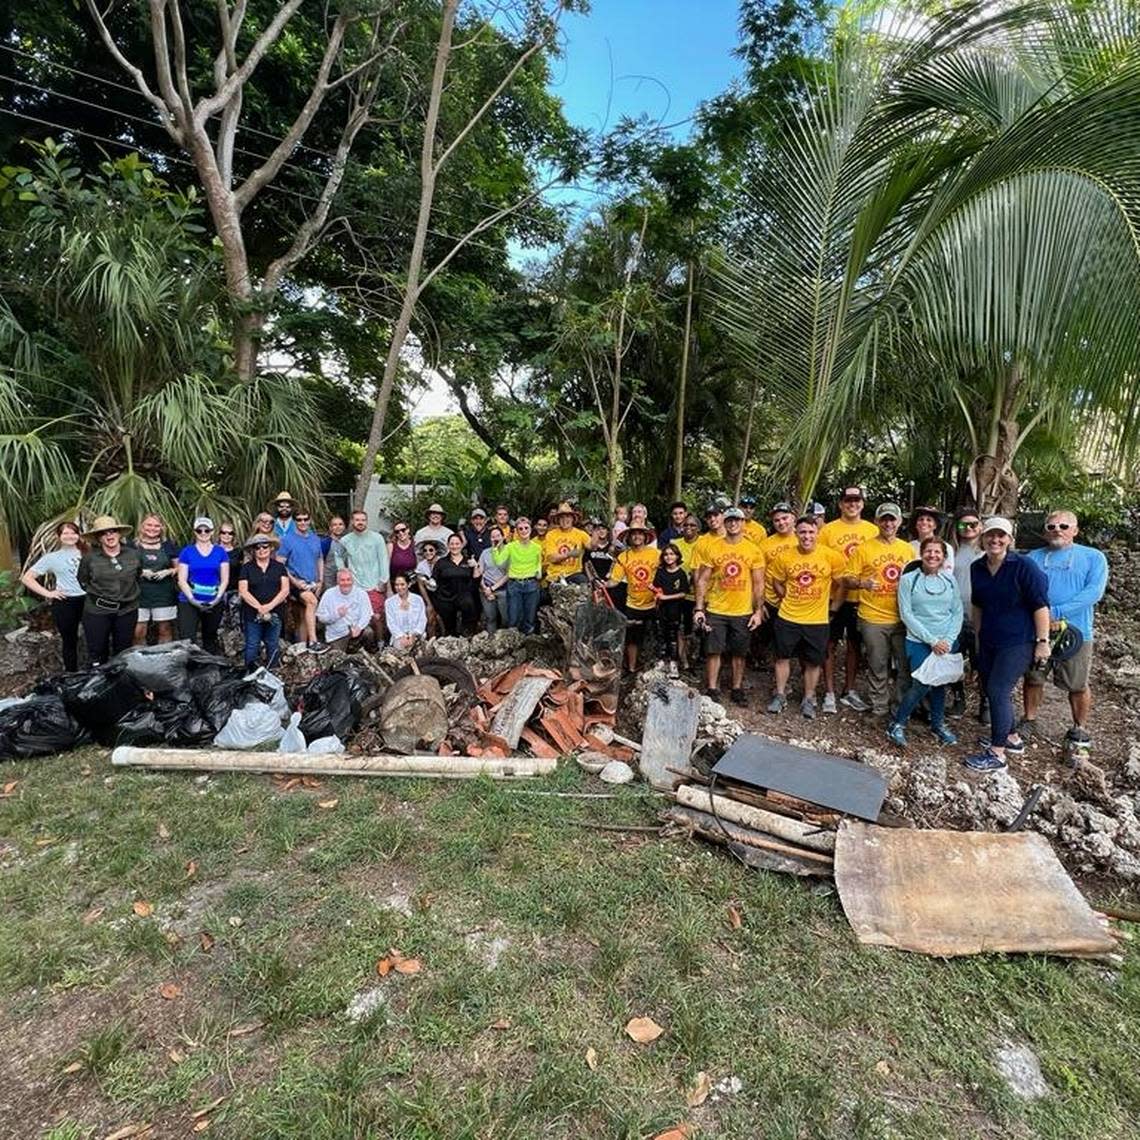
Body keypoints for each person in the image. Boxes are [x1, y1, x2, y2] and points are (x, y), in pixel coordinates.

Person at [967, 517, 1051, 771]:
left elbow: (1040, 605)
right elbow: (978, 605)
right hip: (990, 639)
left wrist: (1042, 642)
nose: (995, 540)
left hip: (1018, 641)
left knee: (998, 690)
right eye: (991, 535)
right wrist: (978, 638)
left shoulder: (1024, 566)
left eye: (1001, 536)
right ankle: (1011, 738)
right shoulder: (977, 567)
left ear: (1010, 540)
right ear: (983, 538)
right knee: (990, 687)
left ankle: (997, 754)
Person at [1022, 510, 1109, 749]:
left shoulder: (1093, 557)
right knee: (1033, 677)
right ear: (1044, 531)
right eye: (1051, 527)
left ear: (1075, 530)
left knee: (1078, 682)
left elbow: (1093, 592)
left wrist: (1056, 612)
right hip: (1037, 629)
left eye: (1063, 526)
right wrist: (1040, 615)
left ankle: (1079, 726)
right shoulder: (1033, 557)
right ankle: (1029, 719)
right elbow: (1023, 589)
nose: (1057, 530)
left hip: (1077, 631)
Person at [765, 516, 847, 718]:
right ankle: (780, 695)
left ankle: (808, 698)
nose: (807, 536)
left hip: (817, 620)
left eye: (811, 532)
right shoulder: (785, 556)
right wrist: (785, 596)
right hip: (788, 616)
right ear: (796, 533)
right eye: (802, 532)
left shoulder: (831, 556)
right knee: (782, 657)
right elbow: (776, 580)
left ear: (817, 533)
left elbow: (842, 584)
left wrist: (834, 608)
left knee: (813, 662)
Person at [887, 536, 964, 747]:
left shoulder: (950, 580)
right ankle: (897, 723)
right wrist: (932, 641)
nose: (932, 555)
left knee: (940, 684)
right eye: (928, 551)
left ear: (944, 556)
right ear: (921, 553)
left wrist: (948, 639)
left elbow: (957, 612)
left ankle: (938, 724)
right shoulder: (908, 580)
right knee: (922, 684)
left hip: (946, 642)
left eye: (937, 552)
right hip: (919, 641)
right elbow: (907, 614)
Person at [841, 503, 915, 718]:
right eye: (884, 519)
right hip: (872, 617)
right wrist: (863, 583)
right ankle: (880, 706)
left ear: (900, 522)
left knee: (904, 666)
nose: (888, 523)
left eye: (892, 519)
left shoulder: (907, 549)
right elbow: (847, 578)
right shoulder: (864, 549)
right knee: (877, 664)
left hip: (902, 617)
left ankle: (900, 707)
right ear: (876, 522)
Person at [692, 506, 765, 705]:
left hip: (742, 610)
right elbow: (702, 580)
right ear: (725, 522)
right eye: (730, 520)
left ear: (743, 523)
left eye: (737, 520)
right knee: (713, 650)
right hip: (716, 608)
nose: (733, 523)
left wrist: (758, 611)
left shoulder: (753, 550)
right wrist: (699, 608)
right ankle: (712, 688)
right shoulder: (713, 547)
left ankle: (737, 688)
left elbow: (759, 583)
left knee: (739, 653)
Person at [819, 486, 879, 714]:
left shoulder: (872, 530)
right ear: (841, 503)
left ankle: (849, 690)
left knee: (854, 646)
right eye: (848, 500)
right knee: (829, 644)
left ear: (862, 504)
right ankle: (829, 692)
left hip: (862, 598)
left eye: (857, 500)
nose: (852, 504)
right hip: (834, 597)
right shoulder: (828, 530)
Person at [22, 521, 86, 672]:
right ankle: (72, 674)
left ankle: (95, 671)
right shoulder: (52, 558)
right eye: (65, 533)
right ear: (59, 536)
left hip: (89, 600)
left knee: (95, 637)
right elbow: (27, 578)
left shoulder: (88, 552)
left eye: (73, 532)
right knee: (69, 640)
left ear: (79, 535)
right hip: (65, 601)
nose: (70, 536)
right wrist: (49, 593)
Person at [77, 515, 142, 664]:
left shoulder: (133, 555)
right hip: (97, 612)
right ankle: (99, 684)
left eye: (112, 531)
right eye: (103, 533)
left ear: (119, 534)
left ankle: (120, 684)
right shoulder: (90, 558)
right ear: (98, 538)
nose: (109, 536)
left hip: (127, 611)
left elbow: (137, 577)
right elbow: (83, 580)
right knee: (97, 653)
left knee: (124, 651)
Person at [603, 522, 659, 672]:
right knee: (632, 638)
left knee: (658, 634)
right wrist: (603, 585)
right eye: (634, 533)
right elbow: (615, 580)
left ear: (645, 536)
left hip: (654, 602)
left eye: (640, 533)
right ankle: (632, 668)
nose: (637, 536)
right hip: (633, 602)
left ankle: (656, 667)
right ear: (629, 537)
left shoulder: (656, 554)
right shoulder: (623, 556)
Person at [176, 516, 230, 655]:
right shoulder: (187, 552)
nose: (203, 533)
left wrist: (217, 599)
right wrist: (192, 599)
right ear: (195, 532)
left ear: (212, 532)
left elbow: (224, 579)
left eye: (207, 530)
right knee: (187, 639)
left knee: (210, 637)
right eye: (200, 530)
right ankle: (189, 670)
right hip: (189, 600)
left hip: (214, 599)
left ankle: (209, 668)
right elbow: (182, 579)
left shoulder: (220, 552)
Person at [949, 508, 984, 718]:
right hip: (955, 614)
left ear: (980, 526)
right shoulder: (951, 551)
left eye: (973, 524)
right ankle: (958, 699)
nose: (969, 528)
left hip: (982, 614)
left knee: (982, 659)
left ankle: (985, 702)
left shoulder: (988, 550)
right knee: (955, 658)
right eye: (963, 524)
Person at [237, 533, 289, 668]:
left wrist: (270, 606)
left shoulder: (279, 567)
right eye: (257, 547)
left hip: (276, 611)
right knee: (252, 644)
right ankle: (250, 673)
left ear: (271, 548)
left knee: (273, 643)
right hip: (252, 612)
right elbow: (243, 591)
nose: (261, 550)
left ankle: (273, 672)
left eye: (264, 546)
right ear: (253, 550)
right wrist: (259, 607)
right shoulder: (246, 568)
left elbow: (285, 590)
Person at [756, 502, 799, 660]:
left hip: (798, 601)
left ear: (793, 518)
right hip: (771, 601)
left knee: (792, 645)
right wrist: (760, 604)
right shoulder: (765, 544)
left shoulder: (803, 538)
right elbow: (758, 575)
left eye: (785, 518)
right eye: (777, 520)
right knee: (767, 639)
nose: (781, 523)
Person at [277, 508, 324, 651]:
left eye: (305, 519)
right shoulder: (287, 539)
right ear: (295, 521)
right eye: (299, 520)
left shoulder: (315, 538)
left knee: (304, 616)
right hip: (296, 583)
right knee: (312, 601)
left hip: (313, 583)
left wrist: (320, 581)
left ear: (309, 520)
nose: (302, 522)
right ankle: (314, 642)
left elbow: (320, 559)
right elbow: (280, 563)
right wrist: (294, 582)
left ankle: (303, 649)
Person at [340, 509, 390, 645]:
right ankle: (357, 645)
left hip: (373, 585)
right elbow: (338, 557)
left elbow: (383, 560)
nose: (360, 522)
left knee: (377, 617)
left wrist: (383, 581)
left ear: (366, 521)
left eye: (363, 520)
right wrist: (344, 574)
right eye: (357, 520)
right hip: (355, 587)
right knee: (356, 617)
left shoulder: (377, 538)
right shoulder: (345, 540)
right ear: (352, 522)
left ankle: (380, 644)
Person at [131, 513, 178, 645]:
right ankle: (140, 661)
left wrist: (168, 571)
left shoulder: (168, 545)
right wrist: (140, 572)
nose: (153, 528)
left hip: (164, 594)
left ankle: (164, 660)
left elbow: (179, 567)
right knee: (139, 631)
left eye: (157, 526)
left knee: (165, 629)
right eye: (149, 525)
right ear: (142, 526)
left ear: (162, 528)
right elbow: (125, 568)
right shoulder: (132, 545)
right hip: (138, 595)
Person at [492, 517, 543, 633]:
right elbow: (499, 562)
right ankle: (513, 643)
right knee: (513, 617)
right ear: (517, 531)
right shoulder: (511, 546)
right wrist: (496, 548)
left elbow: (538, 563)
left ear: (530, 529)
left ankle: (527, 644)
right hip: (515, 584)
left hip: (531, 583)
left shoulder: (537, 547)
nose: (524, 531)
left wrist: (538, 572)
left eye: (526, 528)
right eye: (520, 529)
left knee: (530, 617)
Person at [317, 568, 376, 652]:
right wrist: (336, 615)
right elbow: (321, 617)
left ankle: (371, 654)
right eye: (342, 580)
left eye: (348, 580)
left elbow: (367, 614)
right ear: (337, 581)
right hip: (337, 635)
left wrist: (359, 627)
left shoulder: (361, 593)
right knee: (337, 658)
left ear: (353, 581)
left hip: (357, 631)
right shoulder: (328, 594)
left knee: (368, 632)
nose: (346, 583)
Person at [653, 543, 689, 677]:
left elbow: (683, 593)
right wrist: (657, 597)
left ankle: (674, 664)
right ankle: (662, 661)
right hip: (661, 609)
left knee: (673, 637)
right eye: (666, 554)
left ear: (677, 556)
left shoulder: (681, 574)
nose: (669, 557)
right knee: (661, 636)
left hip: (675, 610)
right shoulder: (660, 572)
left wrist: (666, 597)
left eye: (672, 554)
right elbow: (657, 589)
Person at [433, 533, 479, 635]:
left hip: (465, 599)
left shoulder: (469, 561)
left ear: (462, 545)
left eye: (457, 544)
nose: (454, 546)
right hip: (446, 599)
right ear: (448, 545)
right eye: (452, 544)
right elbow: (434, 580)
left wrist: (476, 566)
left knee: (468, 629)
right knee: (450, 630)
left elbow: (476, 579)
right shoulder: (441, 562)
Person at [541, 501, 591, 585]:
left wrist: (597, 536)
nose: (565, 520)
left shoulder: (580, 534)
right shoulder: (551, 534)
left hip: (574, 574)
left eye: (567, 517)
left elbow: (591, 546)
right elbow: (552, 558)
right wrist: (569, 554)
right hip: (555, 576)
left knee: (582, 580)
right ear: (558, 520)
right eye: (562, 517)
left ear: (572, 519)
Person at [477, 526, 510, 632]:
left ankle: (504, 641)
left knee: (506, 618)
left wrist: (493, 588)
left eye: (498, 536)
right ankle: (492, 643)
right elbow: (479, 572)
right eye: (492, 536)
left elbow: (509, 574)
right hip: (486, 588)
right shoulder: (485, 553)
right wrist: (486, 588)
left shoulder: (509, 552)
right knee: (490, 618)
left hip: (503, 589)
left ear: (503, 537)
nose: (495, 538)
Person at [385, 572, 427, 649]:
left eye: (402, 584)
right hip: (398, 637)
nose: (399, 587)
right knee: (402, 647)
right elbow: (391, 623)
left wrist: (414, 635)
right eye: (396, 585)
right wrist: (401, 636)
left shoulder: (418, 599)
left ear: (409, 584)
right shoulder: (389, 602)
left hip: (417, 635)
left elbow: (422, 620)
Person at [413, 538, 442, 636]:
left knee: (441, 619)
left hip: (443, 595)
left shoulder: (442, 563)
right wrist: (428, 603)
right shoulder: (421, 565)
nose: (428, 552)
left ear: (436, 551)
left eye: (431, 550)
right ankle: (431, 641)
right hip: (429, 595)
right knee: (430, 618)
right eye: (425, 550)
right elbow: (421, 586)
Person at [320, 516, 349, 592]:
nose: (338, 527)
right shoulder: (325, 543)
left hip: (344, 580)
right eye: (335, 525)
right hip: (328, 580)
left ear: (344, 527)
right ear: (330, 528)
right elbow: (320, 561)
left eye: (340, 524)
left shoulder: (348, 542)